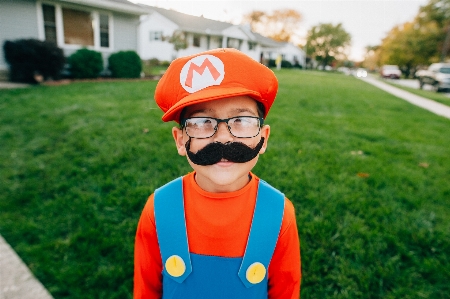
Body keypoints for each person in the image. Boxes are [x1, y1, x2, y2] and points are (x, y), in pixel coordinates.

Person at [134, 48, 301, 299]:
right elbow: (146, 290)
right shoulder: (158, 209)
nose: (223, 137)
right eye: (201, 123)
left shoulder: (279, 213)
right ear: (180, 141)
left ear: (263, 138)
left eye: (241, 121)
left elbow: (286, 292)